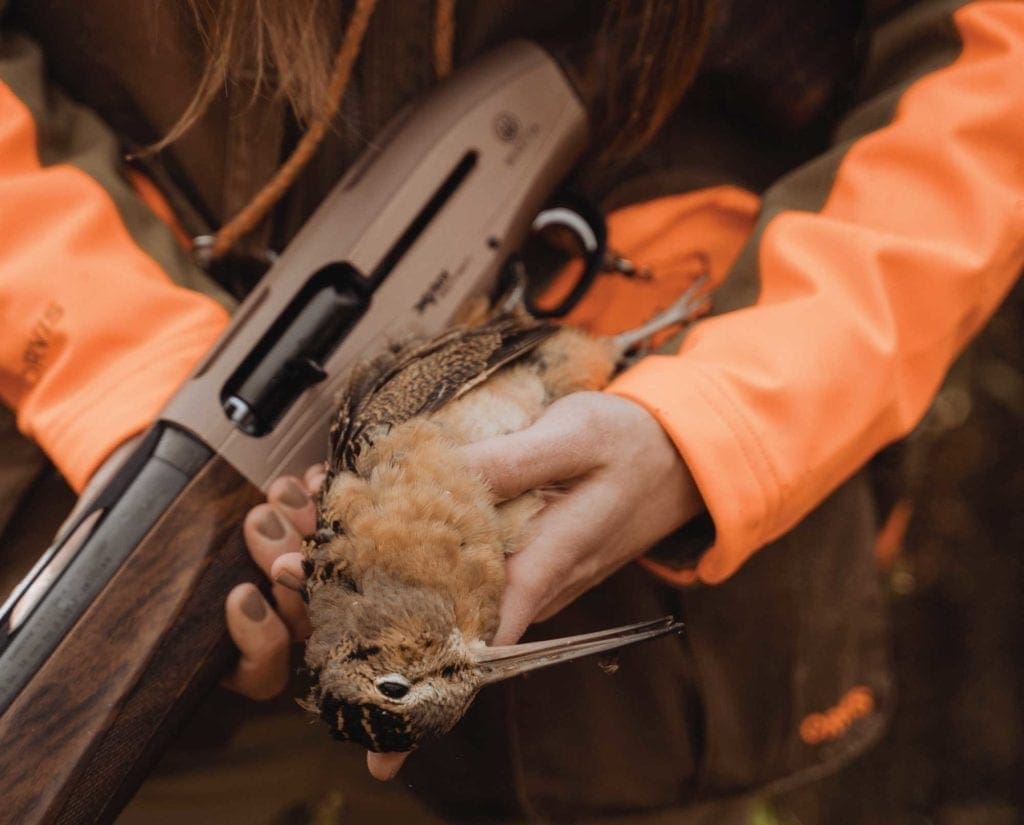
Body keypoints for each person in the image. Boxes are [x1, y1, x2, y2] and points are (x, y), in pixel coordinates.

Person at [1, 0, 1022, 821]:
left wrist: (715, 418)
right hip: (116, 535)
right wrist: (126, 371)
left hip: (630, 683)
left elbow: (987, 64)